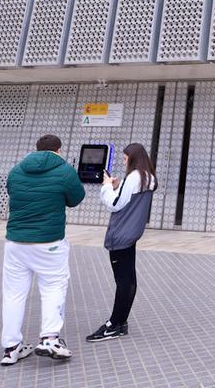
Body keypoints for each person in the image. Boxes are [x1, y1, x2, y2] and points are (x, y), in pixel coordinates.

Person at [0, 134, 85, 366]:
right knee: (53, 286)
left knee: (13, 294)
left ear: (36, 149)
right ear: (57, 150)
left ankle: (11, 347)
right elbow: (76, 198)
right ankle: (49, 339)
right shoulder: (65, 170)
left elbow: (12, 193)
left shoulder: (16, 170)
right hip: (49, 242)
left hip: (16, 242)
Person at [87, 143, 158, 343]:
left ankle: (113, 325)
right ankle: (121, 323)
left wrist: (107, 186)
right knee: (129, 280)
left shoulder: (134, 176)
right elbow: (129, 199)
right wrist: (119, 187)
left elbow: (115, 204)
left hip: (121, 234)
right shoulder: (148, 178)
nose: (124, 161)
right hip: (133, 234)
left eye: (126, 158)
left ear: (134, 158)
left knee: (122, 281)